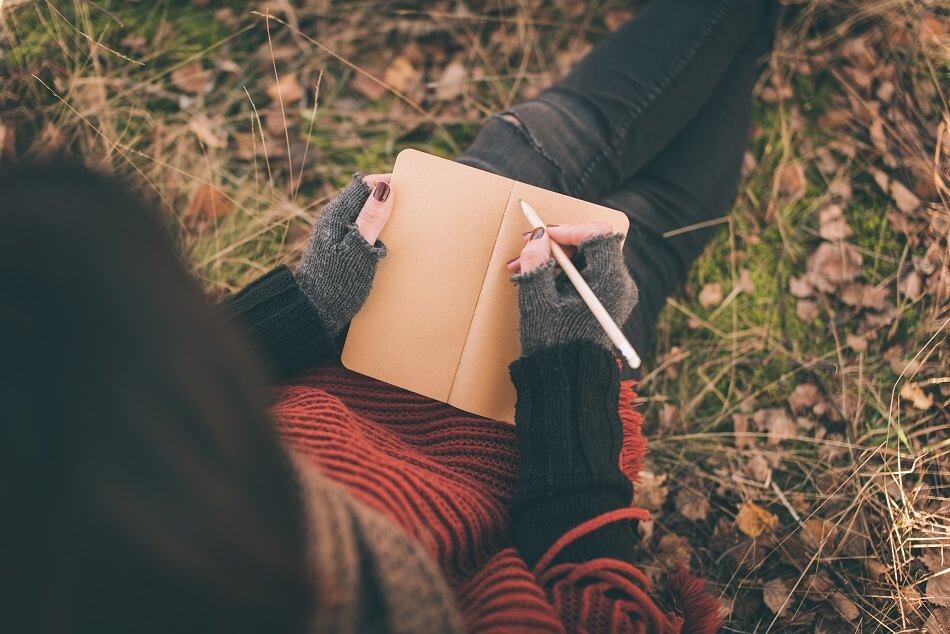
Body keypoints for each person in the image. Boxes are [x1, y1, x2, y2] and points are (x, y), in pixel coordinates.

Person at [1, 0, 777, 632]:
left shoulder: (56, 479)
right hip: (535, 411)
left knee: (594, 119)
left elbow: (177, 368)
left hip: (388, 306)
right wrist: (572, 365)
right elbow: (595, 604)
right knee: (671, 217)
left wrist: (311, 301)